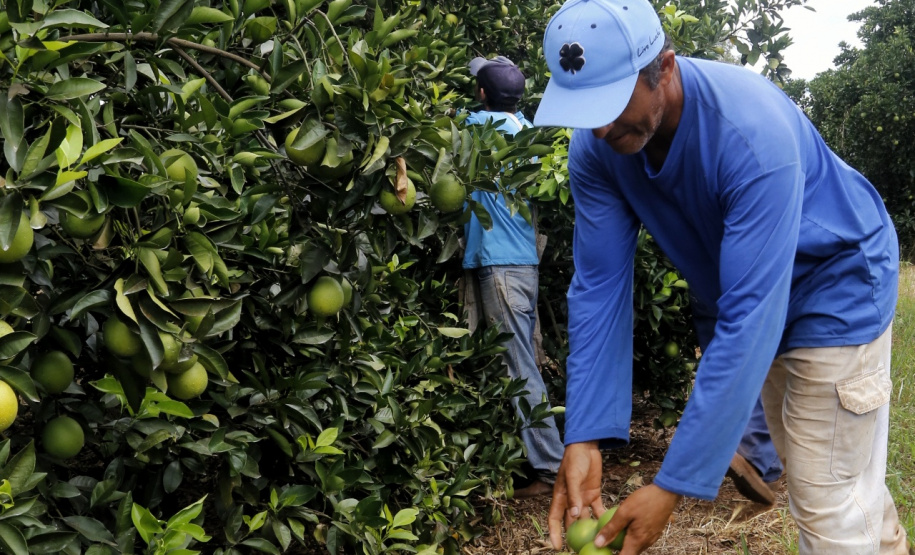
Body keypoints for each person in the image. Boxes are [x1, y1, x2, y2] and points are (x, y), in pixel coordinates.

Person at [532, 0, 909, 553]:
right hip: (750, 299)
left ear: (663, 67)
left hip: (835, 285)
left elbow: (750, 316)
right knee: (836, 479)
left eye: (611, 103)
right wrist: (583, 434)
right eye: (585, 108)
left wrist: (671, 486)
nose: (602, 125)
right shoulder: (597, 148)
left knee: (828, 506)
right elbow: (598, 288)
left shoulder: (751, 134)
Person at [462, 55, 565, 498]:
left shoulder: (477, 129)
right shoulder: (525, 133)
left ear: (482, 95)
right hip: (523, 265)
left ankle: (552, 468)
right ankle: (537, 460)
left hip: (501, 268)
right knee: (525, 361)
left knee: (520, 369)